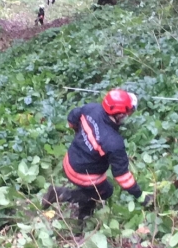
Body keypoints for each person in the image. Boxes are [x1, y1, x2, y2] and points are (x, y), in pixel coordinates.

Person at [42, 89, 153, 222]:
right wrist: (140, 195)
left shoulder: (91, 108)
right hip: (83, 175)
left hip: (69, 160)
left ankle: (83, 219)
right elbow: (122, 176)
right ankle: (61, 194)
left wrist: (83, 136)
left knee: (91, 193)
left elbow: (72, 118)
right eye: (127, 112)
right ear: (119, 114)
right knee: (105, 191)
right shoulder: (114, 142)